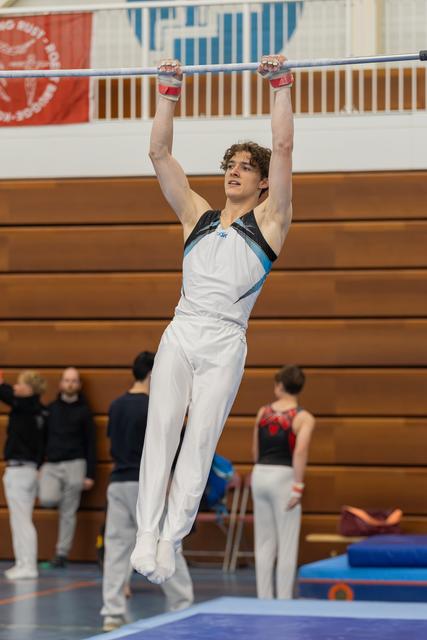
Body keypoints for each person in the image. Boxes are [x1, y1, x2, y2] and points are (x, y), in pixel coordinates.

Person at [131, 53, 294, 585]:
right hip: (181, 330)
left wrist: (280, 87)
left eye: (246, 167)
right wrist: (168, 91)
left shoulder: (271, 222)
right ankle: (146, 536)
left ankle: (172, 537)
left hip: (225, 340)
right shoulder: (195, 216)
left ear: (264, 184)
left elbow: (286, 147)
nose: (233, 171)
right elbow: (158, 151)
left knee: (199, 440)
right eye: (231, 164)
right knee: (160, 432)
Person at [101, 352, 194, 632]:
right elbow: (172, 450)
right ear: (153, 375)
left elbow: (112, 446)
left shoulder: (116, 406)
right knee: (167, 543)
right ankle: (183, 604)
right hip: (147, 487)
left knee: (116, 549)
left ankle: (112, 612)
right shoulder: (157, 407)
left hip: (117, 483)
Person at [251, 365, 315, 599]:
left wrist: (260, 470)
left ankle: (263, 599)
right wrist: (298, 487)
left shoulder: (262, 412)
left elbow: (255, 450)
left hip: (260, 474)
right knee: (286, 543)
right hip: (284, 477)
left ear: (279, 385)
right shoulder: (303, 418)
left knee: (264, 542)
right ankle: (284, 600)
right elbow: (300, 452)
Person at [38, 367, 96, 567]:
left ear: (79, 385)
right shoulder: (51, 409)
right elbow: (42, 439)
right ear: (61, 383)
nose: (70, 384)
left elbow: (91, 443)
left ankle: (61, 553)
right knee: (47, 499)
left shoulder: (84, 411)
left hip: (75, 464)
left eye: (74, 381)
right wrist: (40, 466)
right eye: (67, 380)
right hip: (52, 464)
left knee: (68, 512)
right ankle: (58, 496)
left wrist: (90, 474)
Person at [0, 369, 48, 579]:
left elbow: (7, 394)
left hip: (21, 470)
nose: (16, 388)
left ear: (29, 389)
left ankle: (28, 565)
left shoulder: (25, 407)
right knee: (19, 520)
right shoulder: (35, 409)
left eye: (20, 384)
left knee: (22, 520)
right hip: (22, 469)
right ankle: (22, 562)